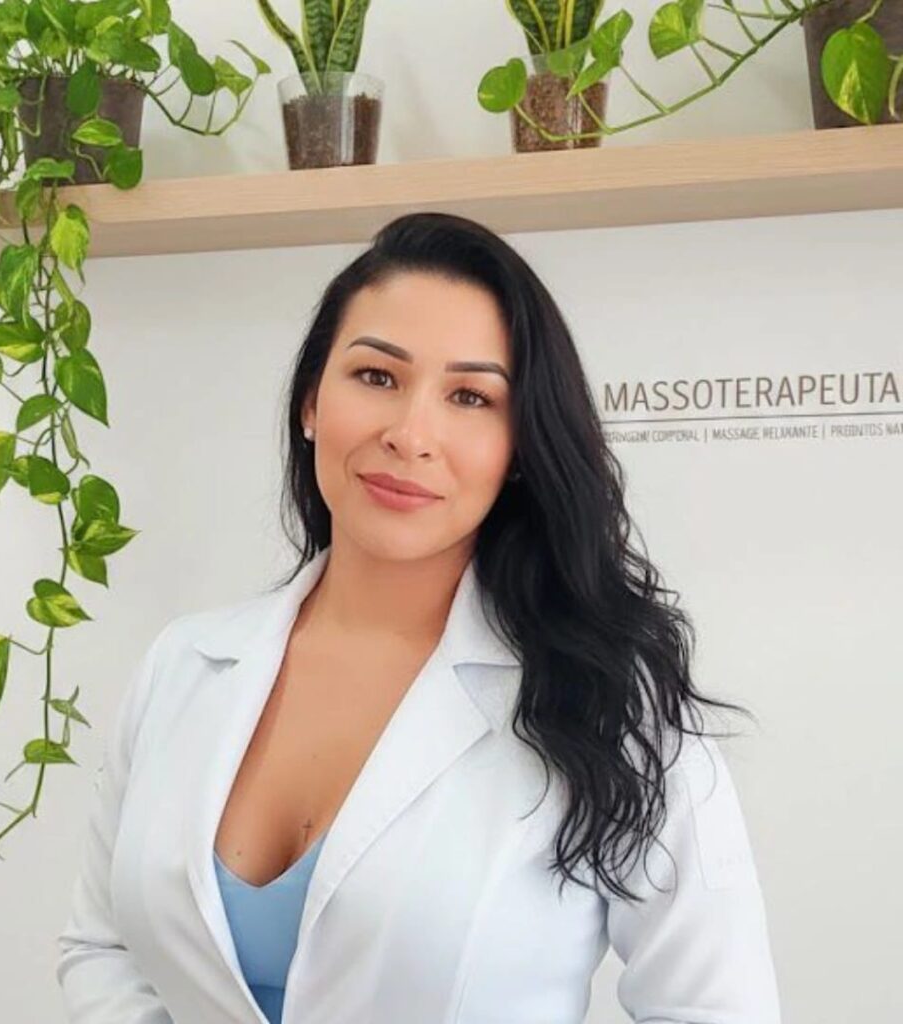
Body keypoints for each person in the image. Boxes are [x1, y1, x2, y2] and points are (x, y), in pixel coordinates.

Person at [55, 212, 782, 1023]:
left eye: (470, 397)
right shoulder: (183, 663)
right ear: (310, 401)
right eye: (376, 376)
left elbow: (718, 1010)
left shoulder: (612, 700)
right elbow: (103, 948)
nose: (410, 435)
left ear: (519, 447)